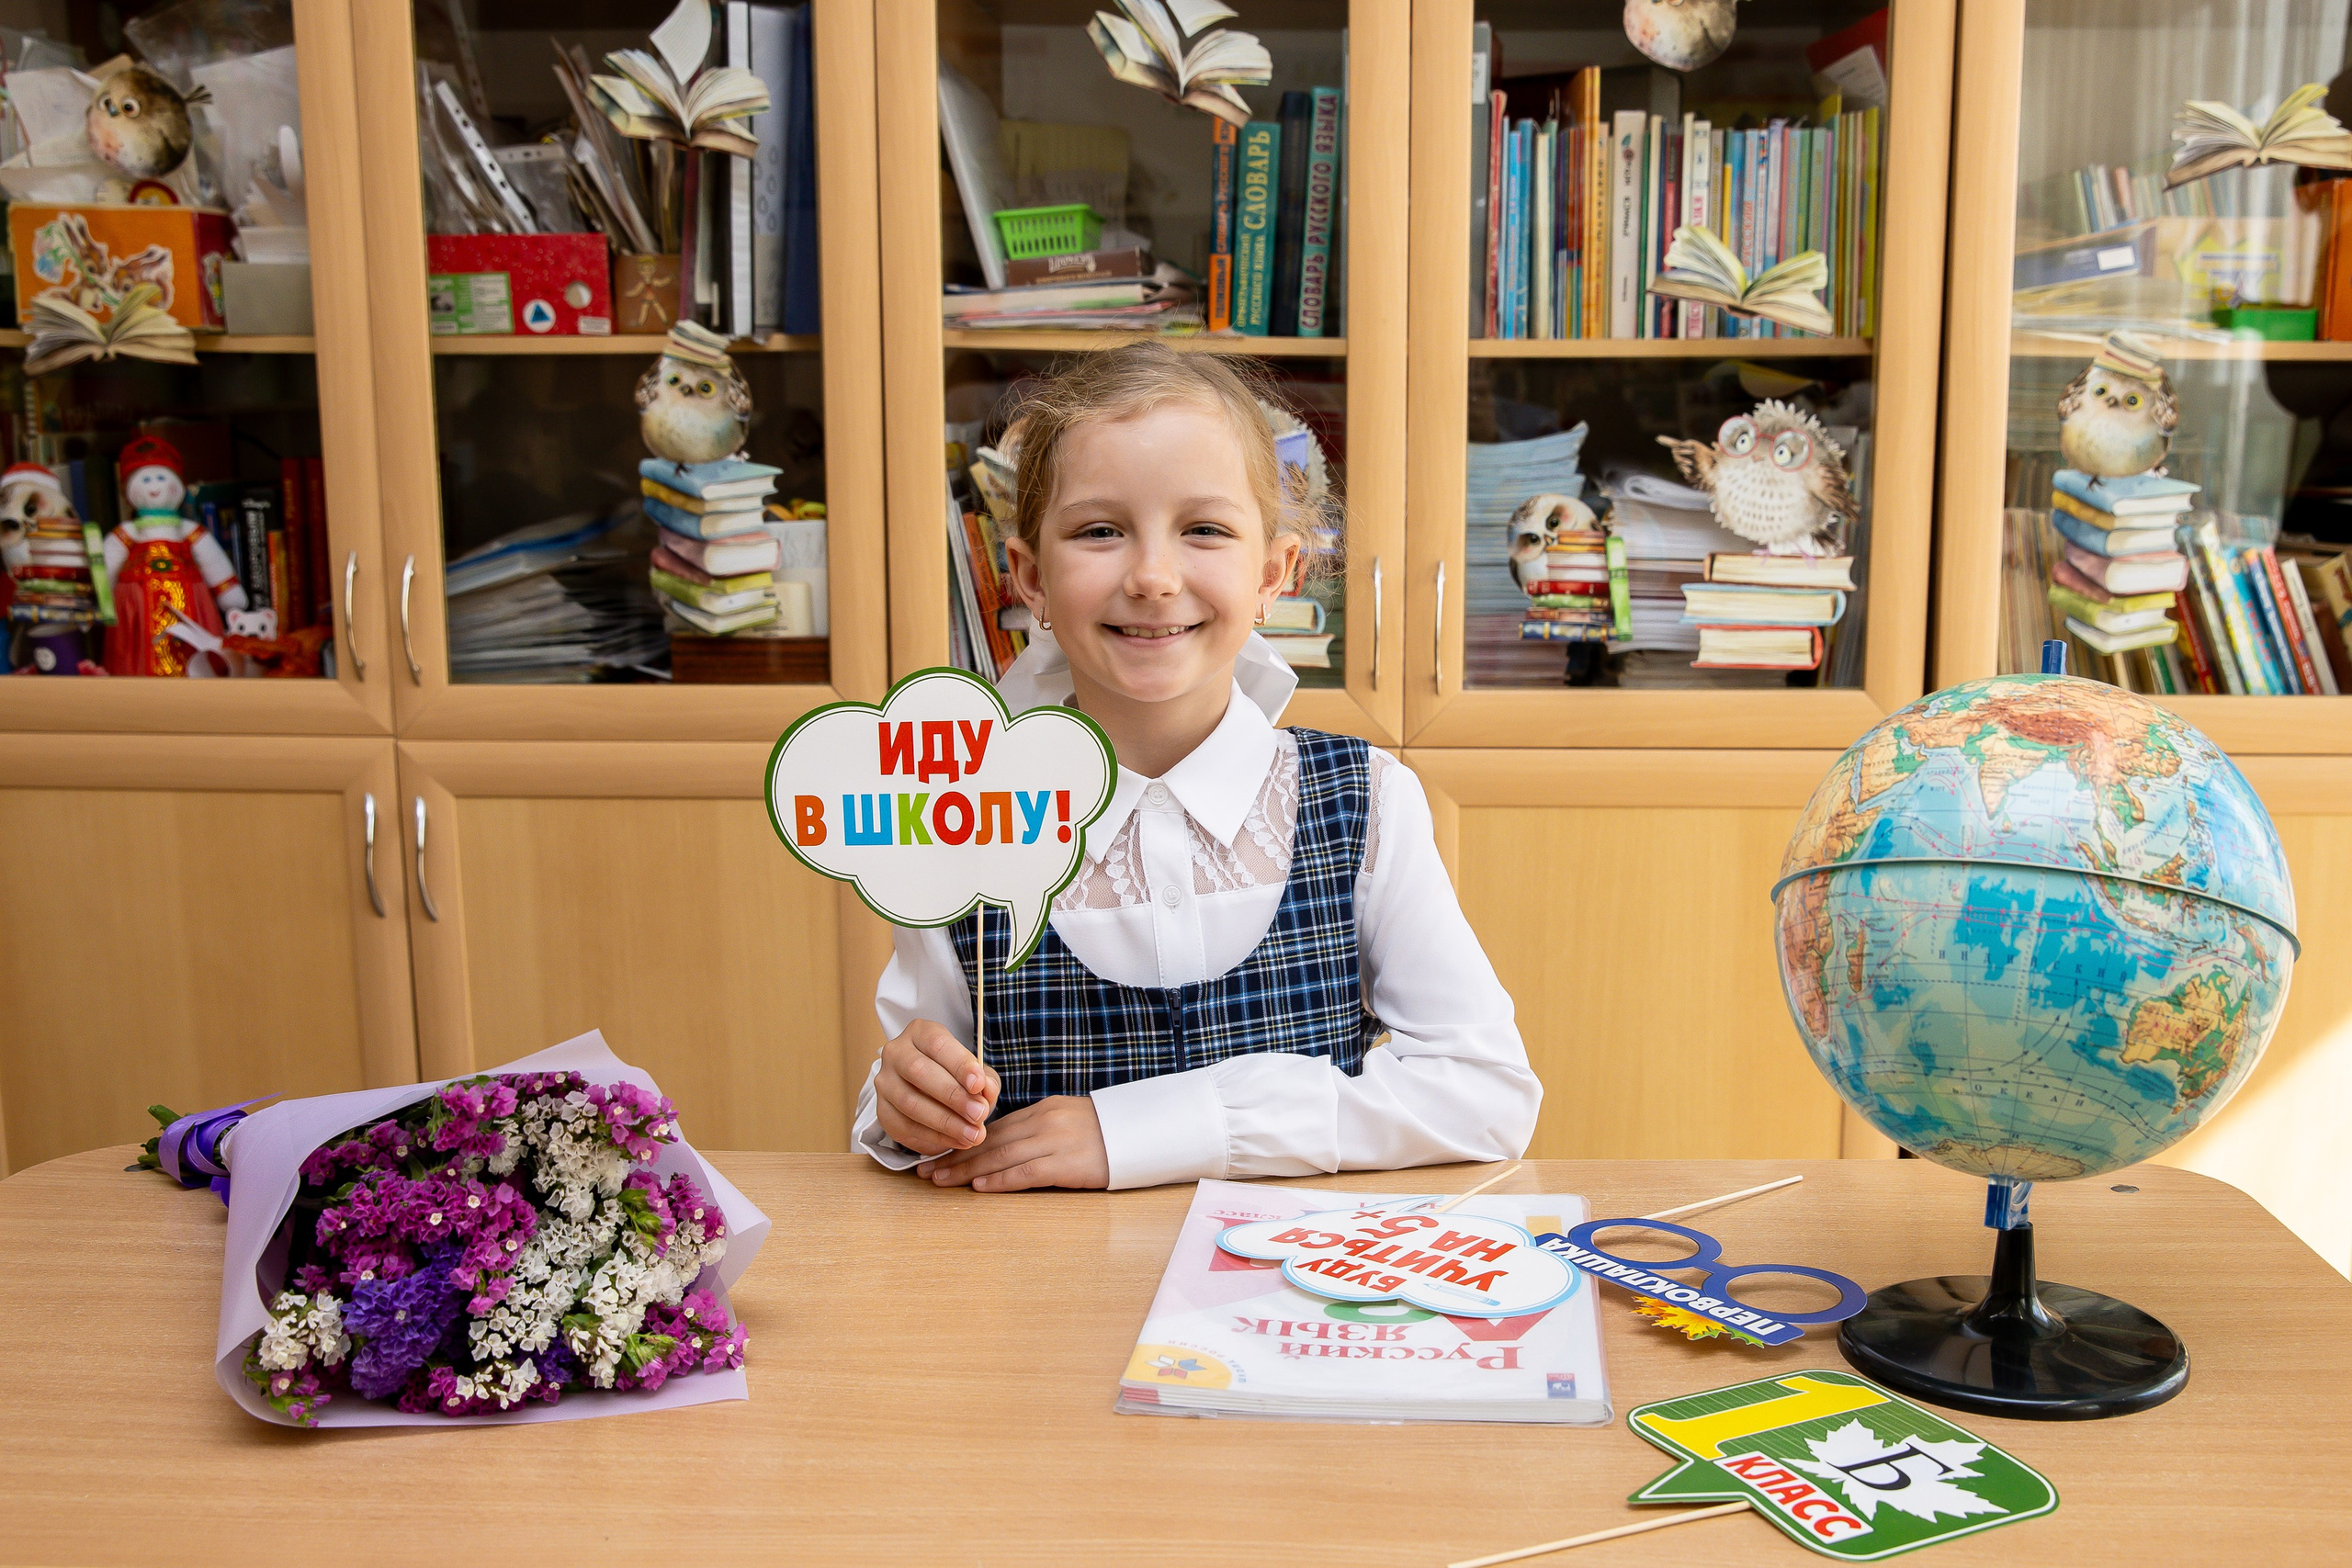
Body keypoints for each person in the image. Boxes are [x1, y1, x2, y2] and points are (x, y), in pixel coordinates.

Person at [853, 343, 1537, 1191]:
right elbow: (902, 1106)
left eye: (1204, 529)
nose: (1152, 576)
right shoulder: (961, 824)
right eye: (1100, 531)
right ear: (1030, 577)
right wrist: (901, 1106)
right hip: (1037, 1275)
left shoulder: (1367, 801)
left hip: (1291, 1275)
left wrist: (1154, 1130)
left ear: (1274, 573)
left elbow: (1487, 1093)